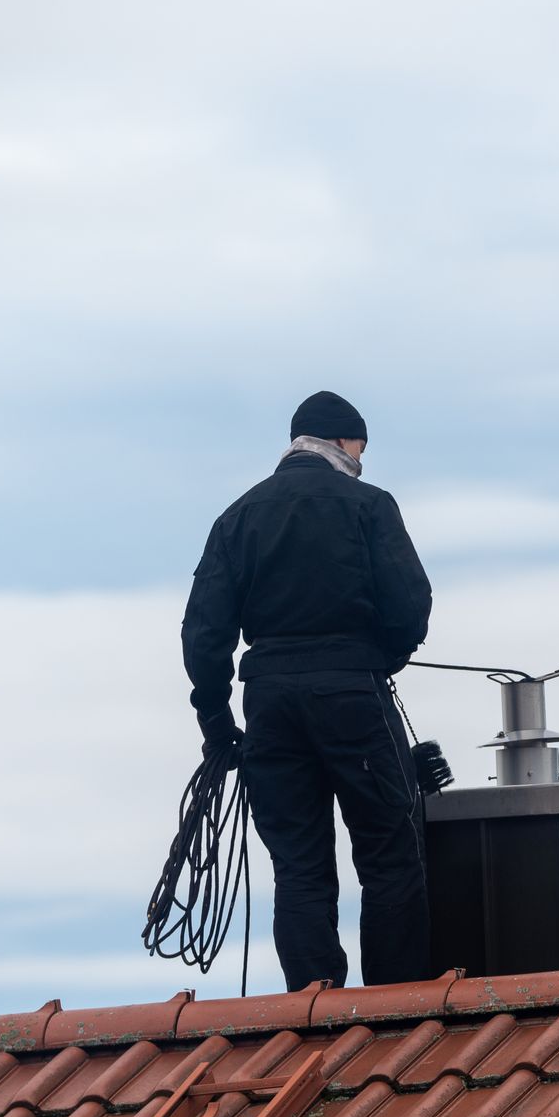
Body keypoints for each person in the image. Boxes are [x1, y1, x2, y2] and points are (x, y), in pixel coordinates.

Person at [181, 390, 434, 991]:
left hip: (269, 703)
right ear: (345, 443)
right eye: (361, 448)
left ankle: (312, 1013)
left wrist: (216, 724)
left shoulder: (237, 516)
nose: (363, 460)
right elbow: (412, 605)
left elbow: (204, 633)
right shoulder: (369, 505)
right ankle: (394, 1011)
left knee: (298, 865)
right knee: (389, 856)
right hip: (352, 694)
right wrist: (383, 658)